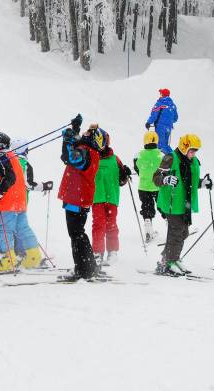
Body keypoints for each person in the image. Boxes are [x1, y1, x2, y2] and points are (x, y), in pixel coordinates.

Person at [0, 138, 52, 269]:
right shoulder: (19, 160)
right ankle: (33, 256)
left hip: (8, 201)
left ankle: (7, 259)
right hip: (20, 201)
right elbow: (27, 184)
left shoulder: (3, 157)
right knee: (22, 228)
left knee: (3, 229)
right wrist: (43, 186)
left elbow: (10, 178)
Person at [57, 116, 103, 281]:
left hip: (77, 198)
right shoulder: (88, 149)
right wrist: (74, 130)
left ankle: (83, 269)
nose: (84, 133)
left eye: (88, 132)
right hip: (78, 197)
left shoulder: (87, 151)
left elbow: (71, 157)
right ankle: (88, 266)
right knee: (78, 233)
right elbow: (70, 154)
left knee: (76, 233)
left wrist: (68, 140)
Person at [154, 134, 208, 275]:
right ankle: (167, 262)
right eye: (191, 150)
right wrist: (166, 179)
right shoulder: (170, 158)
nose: (193, 154)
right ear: (184, 147)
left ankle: (172, 258)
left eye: (195, 151)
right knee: (176, 232)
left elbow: (190, 182)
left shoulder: (192, 161)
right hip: (171, 202)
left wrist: (203, 183)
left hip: (184, 203)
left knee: (183, 232)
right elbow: (156, 178)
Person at [91, 129, 131, 266]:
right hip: (97, 198)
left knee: (111, 225)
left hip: (111, 197)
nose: (100, 146)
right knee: (98, 225)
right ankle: (97, 252)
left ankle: (112, 251)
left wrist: (125, 174)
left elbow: (121, 181)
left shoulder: (115, 159)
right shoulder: (91, 158)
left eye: (103, 143)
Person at [134, 130, 164, 243]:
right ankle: (170, 227)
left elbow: (137, 169)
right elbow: (166, 170)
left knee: (146, 207)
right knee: (163, 206)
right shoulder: (161, 155)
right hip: (158, 186)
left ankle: (148, 229)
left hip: (143, 187)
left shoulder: (138, 155)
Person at [145, 88, 178, 154]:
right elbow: (175, 118)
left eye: (161, 93)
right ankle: (170, 158)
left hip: (160, 127)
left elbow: (154, 115)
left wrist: (149, 122)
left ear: (162, 95)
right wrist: (168, 121)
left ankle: (173, 158)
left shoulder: (159, 104)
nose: (160, 95)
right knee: (165, 144)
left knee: (160, 145)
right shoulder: (173, 105)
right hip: (168, 128)